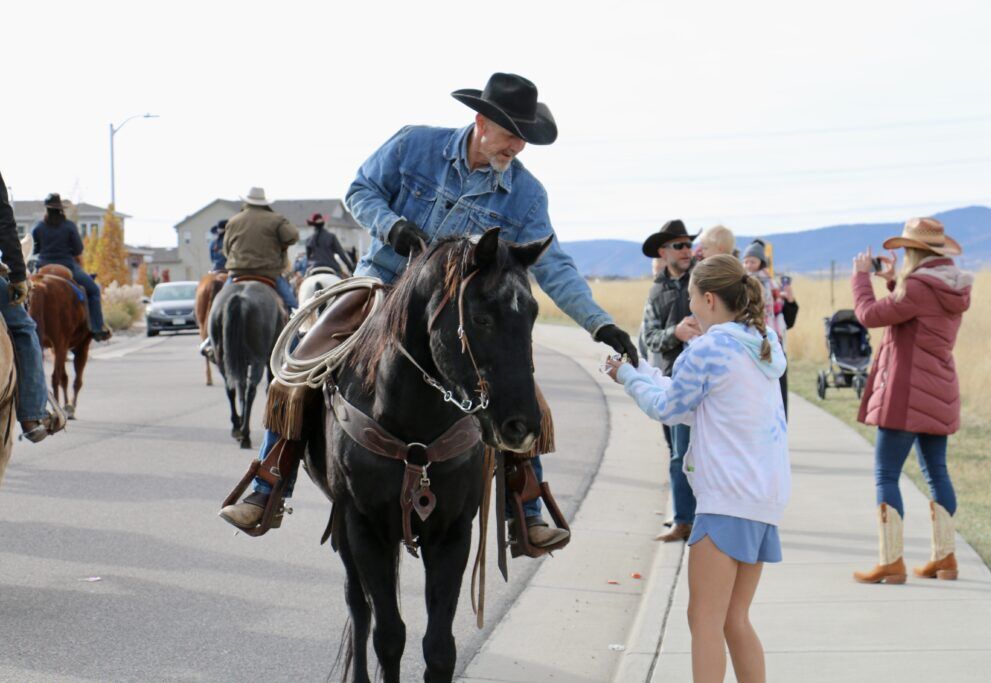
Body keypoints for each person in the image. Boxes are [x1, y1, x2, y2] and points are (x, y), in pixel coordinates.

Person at [220, 73, 638, 550]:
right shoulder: (415, 145)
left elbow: (554, 265)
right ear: (481, 121)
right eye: (510, 134)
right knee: (299, 365)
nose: (517, 147)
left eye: (524, 138)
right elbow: (361, 190)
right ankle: (269, 483)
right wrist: (393, 226)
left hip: (458, 311)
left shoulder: (526, 195)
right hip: (380, 284)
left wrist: (599, 323)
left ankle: (526, 506)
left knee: (520, 392)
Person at [605, 254, 789, 683]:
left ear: (709, 299)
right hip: (764, 497)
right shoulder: (761, 345)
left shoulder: (709, 348)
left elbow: (668, 409)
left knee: (703, 619)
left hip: (727, 497)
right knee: (734, 619)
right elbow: (696, 407)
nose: (688, 310)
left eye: (691, 300)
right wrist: (641, 371)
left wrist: (627, 379)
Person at [851, 218, 971, 584]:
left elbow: (870, 315)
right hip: (939, 389)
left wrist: (860, 279)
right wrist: (892, 281)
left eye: (905, 251)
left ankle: (891, 562)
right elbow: (915, 312)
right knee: (938, 473)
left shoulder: (917, 287)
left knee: (887, 474)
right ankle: (945, 559)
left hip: (905, 393)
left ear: (914, 252)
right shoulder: (951, 286)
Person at [640, 219, 702, 542]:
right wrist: (674, 333)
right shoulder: (656, 290)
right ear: (663, 252)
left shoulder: (703, 281)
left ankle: (685, 521)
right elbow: (649, 337)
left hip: (697, 379)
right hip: (667, 377)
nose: (686, 251)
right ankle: (686, 516)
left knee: (684, 454)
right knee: (675, 451)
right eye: (679, 246)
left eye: (688, 244)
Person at [0, 174, 65, 442]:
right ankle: (32, 415)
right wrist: (17, 275)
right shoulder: (69, 228)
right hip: (63, 263)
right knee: (24, 328)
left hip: (43, 261)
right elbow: (5, 224)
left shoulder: (39, 227)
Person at [31, 193, 110, 341]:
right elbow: (78, 249)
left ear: (47, 210)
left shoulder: (38, 227)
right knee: (93, 290)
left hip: (43, 267)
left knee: (25, 291)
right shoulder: (69, 226)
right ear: (61, 209)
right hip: (67, 266)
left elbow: (34, 250)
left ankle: (20, 328)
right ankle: (97, 328)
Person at [223, 187, 299, 311]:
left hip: (238, 272)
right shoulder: (276, 219)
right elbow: (292, 237)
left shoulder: (233, 221)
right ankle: (295, 325)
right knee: (293, 305)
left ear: (247, 201)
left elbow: (226, 250)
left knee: (216, 303)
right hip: (268, 273)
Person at [742, 239, 790, 415]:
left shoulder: (767, 282)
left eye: (752, 261)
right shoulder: (745, 280)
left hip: (766, 329)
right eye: (746, 261)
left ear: (761, 262)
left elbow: (777, 306)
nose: (748, 264)